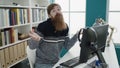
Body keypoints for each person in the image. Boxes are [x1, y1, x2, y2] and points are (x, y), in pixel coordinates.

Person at [28, 3, 78, 68]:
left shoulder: (65, 27)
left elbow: (67, 46)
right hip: (43, 64)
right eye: (53, 11)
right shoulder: (43, 26)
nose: (57, 12)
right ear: (49, 15)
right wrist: (36, 40)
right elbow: (32, 47)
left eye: (58, 9)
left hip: (57, 62)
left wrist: (77, 35)